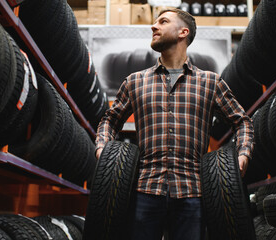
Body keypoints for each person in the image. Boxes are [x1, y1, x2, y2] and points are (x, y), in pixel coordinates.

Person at [95, 8, 254, 240]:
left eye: (163, 21)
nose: (153, 26)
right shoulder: (135, 82)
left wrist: (243, 153)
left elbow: (242, 122)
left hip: (193, 193)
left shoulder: (210, 82)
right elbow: (110, 120)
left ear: (183, 32)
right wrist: (103, 147)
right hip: (145, 191)